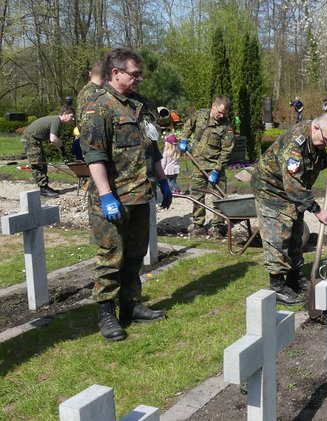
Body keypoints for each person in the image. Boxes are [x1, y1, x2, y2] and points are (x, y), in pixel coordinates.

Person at [79, 47, 173, 341]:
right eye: (134, 74)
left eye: (139, 74)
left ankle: (130, 306)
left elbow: (152, 147)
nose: (139, 78)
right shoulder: (99, 106)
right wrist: (106, 195)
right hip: (114, 198)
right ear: (116, 73)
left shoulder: (140, 105)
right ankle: (106, 314)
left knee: (134, 255)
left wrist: (163, 181)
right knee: (111, 258)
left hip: (141, 194)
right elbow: (94, 156)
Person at [253, 113, 327, 304]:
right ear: (316, 128)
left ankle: (294, 278)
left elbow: (310, 160)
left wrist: (325, 158)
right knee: (278, 235)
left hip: (292, 191)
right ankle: (277, 285)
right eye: (326, 141)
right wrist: (317, 210)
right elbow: (293, 186)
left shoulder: (315, 137)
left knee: (295, 232)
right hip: (272, 190)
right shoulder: (294, 144)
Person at [178, 96, 235, 238]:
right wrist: (184, 139)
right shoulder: (200, 115)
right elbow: (188, 126)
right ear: (213, 106)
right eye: (220, 112)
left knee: (219, 197)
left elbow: (227, 151)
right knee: (197, 195)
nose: (221, 116)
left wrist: (216, 170)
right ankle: (198, 225)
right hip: (198, 164)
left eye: (224, 114)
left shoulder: (226, 126)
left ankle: (218, 227)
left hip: (216, 166)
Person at [22, 105, 76, 198]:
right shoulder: (56, 121)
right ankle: (43, 189)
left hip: (35, 139)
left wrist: (61, 146)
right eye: (71, 116)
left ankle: (45, 187)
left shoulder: (57, 121)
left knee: (42, 163)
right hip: (31, 139)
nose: (73, 119)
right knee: (37, 164)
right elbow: (53, 139)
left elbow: (55, 139)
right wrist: (61, 146)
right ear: (65, 114)